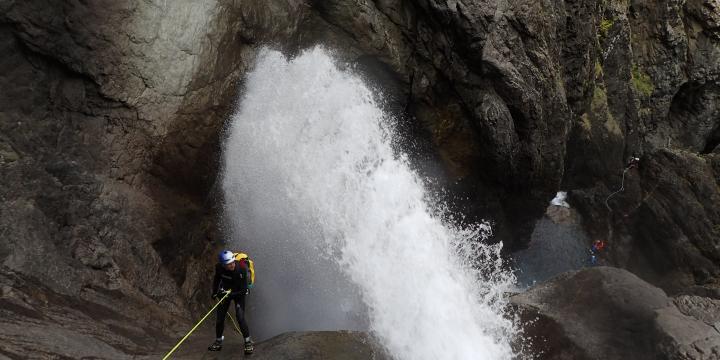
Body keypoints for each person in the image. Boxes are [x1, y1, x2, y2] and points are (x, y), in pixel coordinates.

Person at [208, 250, 253, 354]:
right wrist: (215, 292)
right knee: (220, 318)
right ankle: (218, 342)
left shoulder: (241, 269)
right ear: (223, 265)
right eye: (229, 264)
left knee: (240, 317)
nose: (232, 265)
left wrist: (230, 295)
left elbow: (243, 290)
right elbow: (217, 279)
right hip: (226, 292)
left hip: (238, 293)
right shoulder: (219, 268)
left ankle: (248, 342)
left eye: (233, 262)